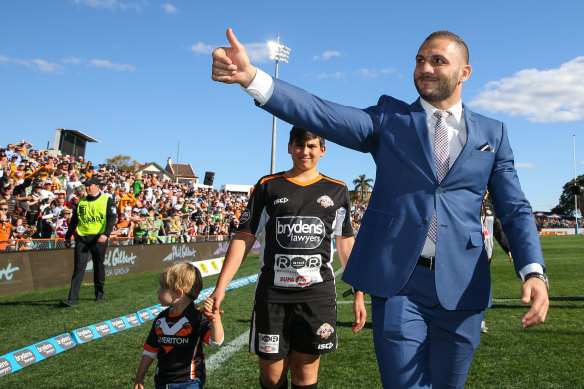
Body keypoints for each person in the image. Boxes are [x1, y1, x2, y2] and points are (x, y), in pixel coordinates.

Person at [211, 29, 549, 388]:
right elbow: (324, 114)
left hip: (464, 284)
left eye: (438, 60)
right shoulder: (389, 118)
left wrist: (533, 270)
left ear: (465, 72)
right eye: (420, 59)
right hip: (400, 283)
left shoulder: (492, 133)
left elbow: (514, 208)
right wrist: (253, 78)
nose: (425, 68)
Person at [208, 127, 366, 389]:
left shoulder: (337, 190)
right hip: (273, 295)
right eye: (300, 145)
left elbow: (345, 243)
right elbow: (244, 236)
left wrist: (357, 292)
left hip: (316, 296)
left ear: (322, 150)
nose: (305, 152)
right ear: (290, 147)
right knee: (272, 378)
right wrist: (220, 287)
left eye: (312, 146)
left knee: (305, 376)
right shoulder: (267, 186)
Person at [133, 262, 224, 389]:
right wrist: (139, 378)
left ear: (178, 293)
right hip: (162, 382)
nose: (158, 291)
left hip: (191, 381)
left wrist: (215, 318)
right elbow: (150, 350)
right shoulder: (161, 319)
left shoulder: (197, 316)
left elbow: (216, 341)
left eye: (163, 288)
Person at [60, 176, 116, 307]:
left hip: (99, 239)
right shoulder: (81, 202)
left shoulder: (107, 199)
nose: (87, 187)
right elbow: (74, 220)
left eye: (90, 185)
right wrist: (68, 237)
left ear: (97, 186)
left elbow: (112, 217)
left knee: (98, 266)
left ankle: (99, 293)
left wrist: (105, 234)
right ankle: (72, 299)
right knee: (79, 267)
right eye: (86, 185)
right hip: (82, 238)